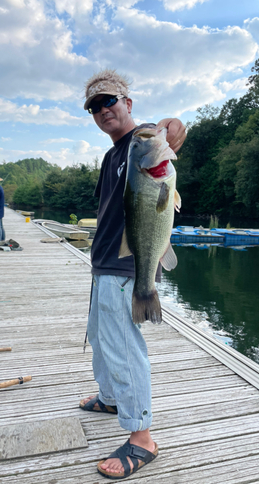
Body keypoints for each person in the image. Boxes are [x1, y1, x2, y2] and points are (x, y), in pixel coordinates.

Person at [79, 69, 186, 480]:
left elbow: (171, 131)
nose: (103, 110)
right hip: (103, 263)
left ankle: (142, 438)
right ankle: (110, 397)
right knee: (102, 341)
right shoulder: (111, 155)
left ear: (127, 102)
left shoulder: (142, 142)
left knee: (123, 347)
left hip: (128, 267)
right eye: (94, 106)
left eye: (109, 101)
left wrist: (171, 129)